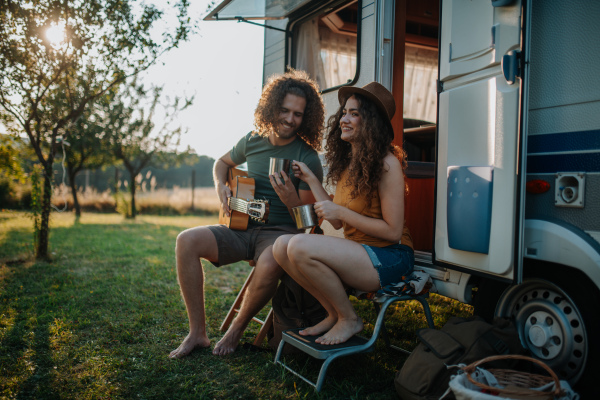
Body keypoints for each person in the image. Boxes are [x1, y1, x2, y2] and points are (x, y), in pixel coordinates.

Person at [169, 70, 325, 358]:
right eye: (284, 110)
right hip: (240, 227)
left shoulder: (307, 157)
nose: (290, 119)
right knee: (185, 240)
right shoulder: (253, 140)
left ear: (307, 117)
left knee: (270, 259)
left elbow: (307, 225)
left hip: (280, 235)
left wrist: (289, 197)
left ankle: (236, 329)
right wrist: (221, 187)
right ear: (271, 107)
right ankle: (197, 333)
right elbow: (221, 162)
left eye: (298, 114)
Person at [272, 81, 414, 345]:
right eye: (344, 113)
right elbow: (336, 221)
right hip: (361, 254)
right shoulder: (350, 164)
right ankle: (333, 313)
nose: (343, 120)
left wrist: (341, 212)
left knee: (299, 245)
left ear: (371, 122)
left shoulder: (387, 164)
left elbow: (393, 232)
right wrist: (313, 180)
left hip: (391, 258)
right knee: (281, 246)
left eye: (354, 114)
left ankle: (349, 319)